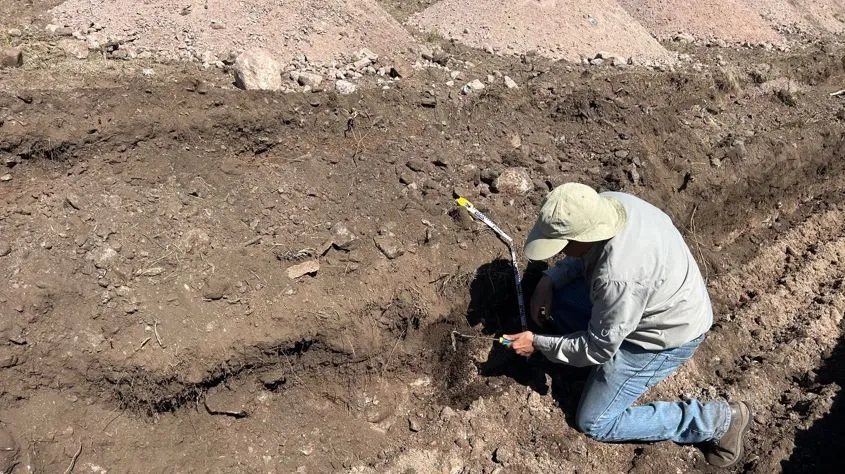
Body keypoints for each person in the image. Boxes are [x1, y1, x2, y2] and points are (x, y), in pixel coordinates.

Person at [503, 182, 751, 468]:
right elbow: (585, 255)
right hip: (651, 297)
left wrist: (537, 343)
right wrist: (549, 279)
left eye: (563, 245)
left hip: (666, 335)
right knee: (558, 302)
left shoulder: (617, 278)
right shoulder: (609, 204)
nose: (561, 252)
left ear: (585, 235)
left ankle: (717, 421)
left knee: (594, 421)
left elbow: (597, 350)